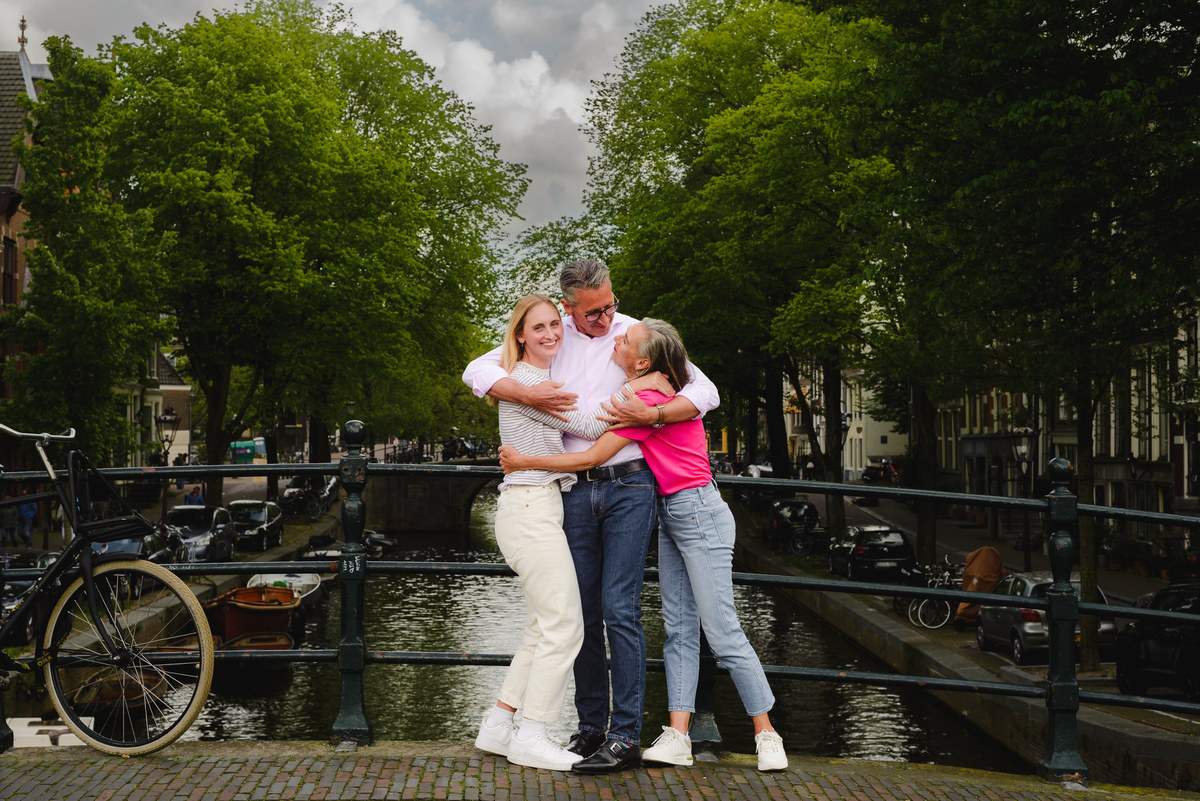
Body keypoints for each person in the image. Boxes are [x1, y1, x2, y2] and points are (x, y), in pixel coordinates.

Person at [499, 317, 788, 772]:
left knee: (723, 630)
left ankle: (767, 733)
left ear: (642, 359)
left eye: (626, 340)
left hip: (698, 511)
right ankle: (677, 735)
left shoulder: (646, 399)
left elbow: (594, 450)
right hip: (671, 510)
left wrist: (523, 460)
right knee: (677, 626)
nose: (617, 336)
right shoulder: (644, 391)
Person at [463, 259, 719, 773]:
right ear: (568, 309)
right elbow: (479, 370)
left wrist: (654, 414)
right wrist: (527, 392)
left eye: (610, 305)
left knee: (621, 608)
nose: (607, 319)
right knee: (579, 610)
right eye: (594, 312)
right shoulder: (550, 335)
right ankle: (588, 728)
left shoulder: (637, 333)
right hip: (573, 488)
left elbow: (704, 391)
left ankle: (623, 735)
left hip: (629, 483)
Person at [472, 295, 611, 771]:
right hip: (531, 507)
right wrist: (648, 395)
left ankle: (499, 722)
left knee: (542, 625)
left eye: (555, 324)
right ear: (521, 336)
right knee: (566, 625)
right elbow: (591, 427)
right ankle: (532, 733)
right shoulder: (533, 383)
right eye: (539, 328)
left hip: (534, 505)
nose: (551, 333)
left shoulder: (526, 379)